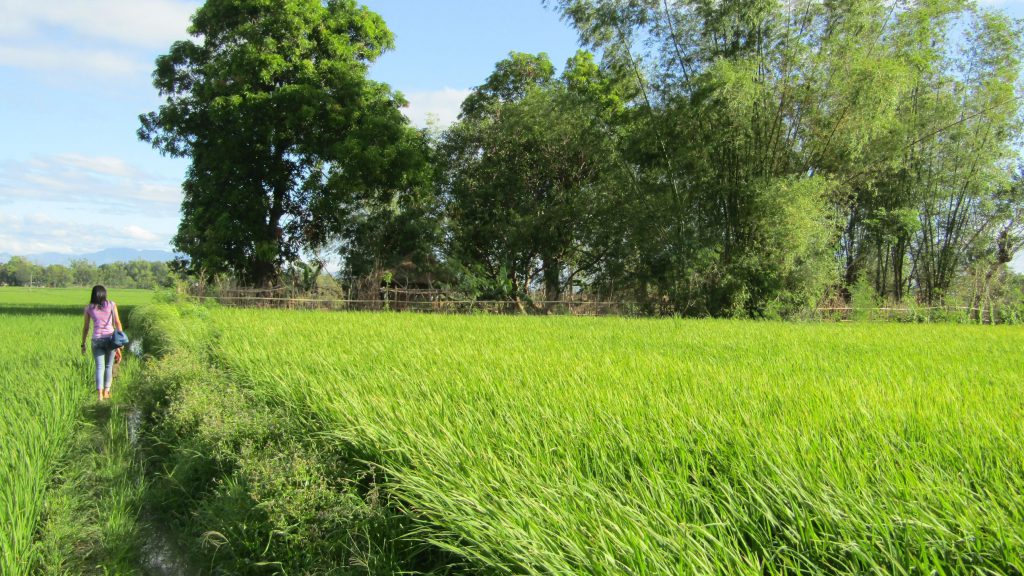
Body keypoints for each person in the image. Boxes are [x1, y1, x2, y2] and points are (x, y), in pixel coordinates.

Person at [81, 285, 122, 401]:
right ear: (104, 294)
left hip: (96, 340)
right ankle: (106, 392)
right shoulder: (112, 305)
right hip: (110, 339)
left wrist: (83, 344)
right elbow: (117, 322)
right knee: (108, 366)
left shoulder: (89, 308)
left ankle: (99, 395)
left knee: (99, 367)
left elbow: (86, 328)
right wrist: (120, 341)